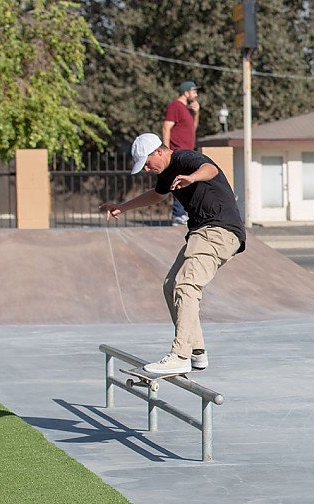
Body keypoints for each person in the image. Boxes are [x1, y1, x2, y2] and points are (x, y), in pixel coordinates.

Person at [98, 133, 245, 375]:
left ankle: (180, 355)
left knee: (186, 286)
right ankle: (197, 351)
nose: (146, 169)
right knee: (170, 285)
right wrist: (122, 207)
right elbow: (157, 195)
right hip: (201, 233)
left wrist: (192, 178)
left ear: (159, 151)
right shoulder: (164, 174)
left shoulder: (185, 158)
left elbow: (210, 169)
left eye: (147, 163)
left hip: (218, 230)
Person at [161, 80, 200, 226]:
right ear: (186, 92)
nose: (196, 94)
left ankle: (183, 213)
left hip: (187, 151)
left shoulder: (186, 110)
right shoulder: (175, 106)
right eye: (194, 91)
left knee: (186, 181)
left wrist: (196, 113)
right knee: (179, 181)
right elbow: (166, 127)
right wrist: (166, 149)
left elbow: (192, 129)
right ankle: (178, 215)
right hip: (178, 150)